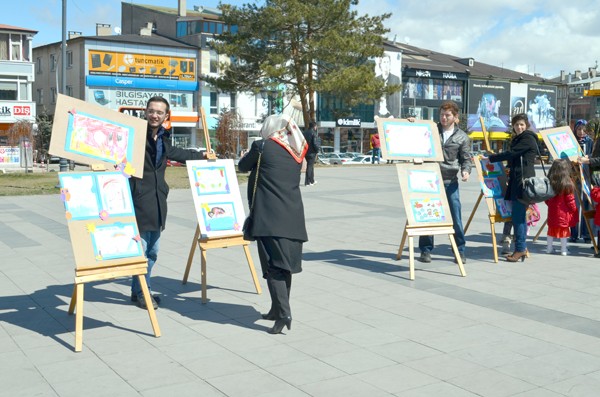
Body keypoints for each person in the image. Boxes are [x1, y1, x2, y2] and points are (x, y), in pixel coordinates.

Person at [129, 96, 205, 309]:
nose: (155, 115)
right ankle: (144, 292)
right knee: (142, 252)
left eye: (159, 112)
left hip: (158, 202)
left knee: (152, 251)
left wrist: (204, 156)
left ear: (166, 116)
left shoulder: (162, 138)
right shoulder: (134, 136)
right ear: (145, 112)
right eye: (151, 111)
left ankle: (138, 290)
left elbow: (179, 154)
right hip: (138, 201)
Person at [238, 114, 308, 334]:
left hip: (270, 218)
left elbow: (242, 166)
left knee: (273, 268)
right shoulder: (296, 151)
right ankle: (276, 309)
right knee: (284, 267)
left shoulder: (261, 146)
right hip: (294, 218)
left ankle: (284, 314)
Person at [415, 101, 472, 264]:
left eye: (447, 115)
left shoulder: (462, 137)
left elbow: (466, 159)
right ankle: (425, 250)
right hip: (430, 180)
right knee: (428, 215)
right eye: (441, 115)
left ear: (455, 117)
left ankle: (459, 250)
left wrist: (466, 171)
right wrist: (411, 121)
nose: (444, 118)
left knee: (456, 216)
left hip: (450, 181)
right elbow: (416, 133)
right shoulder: (432, 130)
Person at [486, 113, 538, 262]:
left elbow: (511, 153)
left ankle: (520, 249)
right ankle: (520, 248)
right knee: (518, 216)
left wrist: (491, 158)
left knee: (518, 217)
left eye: (522, 124)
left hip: (523, 183)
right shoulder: (519, 139)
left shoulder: (527, 138)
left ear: (526, 125)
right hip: (517, 181)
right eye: (516, 125)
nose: (519, 127)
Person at [545, 159, 578, 256]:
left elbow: (546, 197)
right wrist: (573, 209)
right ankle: (563, 249)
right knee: (564, 231)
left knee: (551, 229)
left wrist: (550, 204)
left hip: (552, 210)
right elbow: (570, 199)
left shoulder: (550, 181)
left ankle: (549, 248)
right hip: (564, 212)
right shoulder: (567, 184)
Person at [571, 119, 593, 243]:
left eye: (583, 129)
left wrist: (586, 158)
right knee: (574, 205)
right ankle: (573, 234)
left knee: (587, 205)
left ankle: (587, 234)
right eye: (579, 129)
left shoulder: (590, 141)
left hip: (587, 176)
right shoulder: (571, 141)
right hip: (574, 176)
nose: (581, 132)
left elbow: (593, 155)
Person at [374, 53, 401, 118]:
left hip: (390, 115)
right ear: (380, 65)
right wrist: (375, 115)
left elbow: (397, 100)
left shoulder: (396, 79)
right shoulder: (376, 80)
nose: (386, 65)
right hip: (378, 114)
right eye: (384, 62)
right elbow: (373, 99)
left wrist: (393, 115)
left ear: (390, 64)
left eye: (387, 62)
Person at [302, 121, 320, 186]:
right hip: (312, 152)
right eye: (316, 126)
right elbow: (315, 143)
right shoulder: (313, 133)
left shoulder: (304, 132)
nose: (316, 127)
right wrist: (317, 150)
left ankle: (312, 180)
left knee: (311, 166)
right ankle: (307, 182)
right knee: (309, 166)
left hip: (306, 152)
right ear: (314, 126)